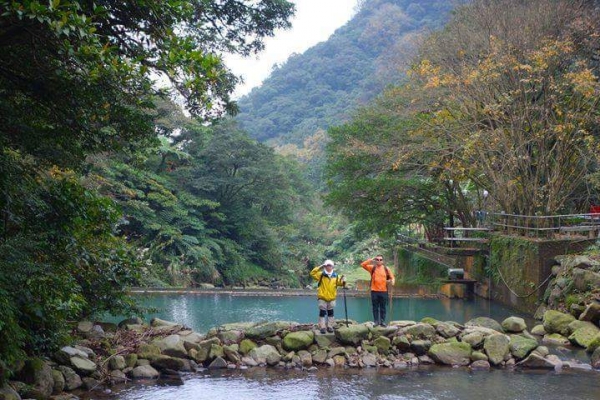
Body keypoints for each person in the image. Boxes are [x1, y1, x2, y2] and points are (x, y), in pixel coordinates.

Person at [310, 259, 345, 334]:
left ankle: (330, 326)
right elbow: (312, 273)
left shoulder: (336, 276)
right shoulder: (321, 275)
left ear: (332, 267)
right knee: (322, 312)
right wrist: (320, 266)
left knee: (330, 312)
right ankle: (322, 327)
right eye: (327, 265)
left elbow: (341, 284)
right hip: (322, 297)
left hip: (332, 298)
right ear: (325, 266)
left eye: (330, 265)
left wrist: (343, 281)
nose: (328, 267)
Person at [361, 255, 395, 327]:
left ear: (383, 261)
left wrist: (392, 281)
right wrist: (371, 260)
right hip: (374, 291)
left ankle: (382, 321)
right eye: (377, 259)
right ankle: (376, 321)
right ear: (375, 260)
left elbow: (392, 277)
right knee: (375, 307)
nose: (379, 261)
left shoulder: (386, 269)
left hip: (384, 291)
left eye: (380, 259)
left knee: (383, 307)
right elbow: (363, 265)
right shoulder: (372, 268)